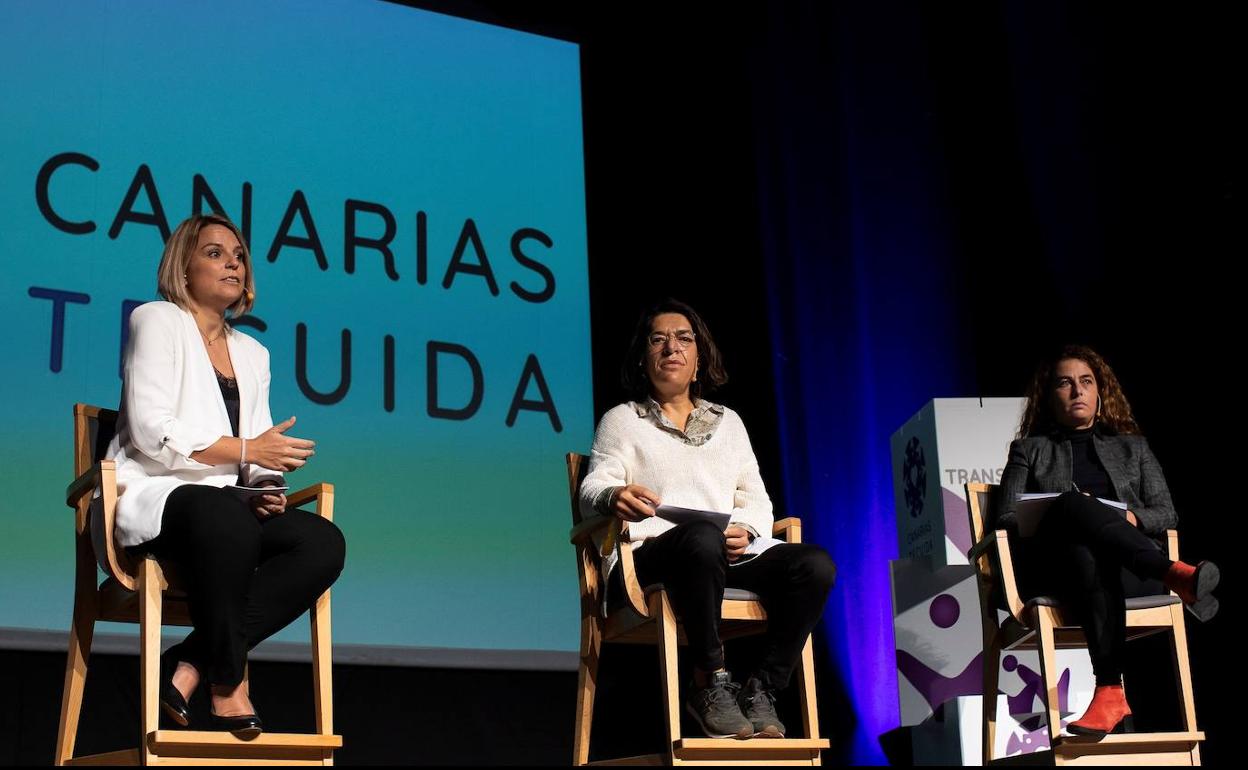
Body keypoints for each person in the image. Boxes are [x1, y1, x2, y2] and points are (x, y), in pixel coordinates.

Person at [107, 214, 346, 736]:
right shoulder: (157, 320)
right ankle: (230, 683)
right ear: (183, 268)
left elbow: (255, 451)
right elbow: (151, 432)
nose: (233, 262)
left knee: (321, 541)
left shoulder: (253, 353)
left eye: (237, 255)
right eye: (215, 253)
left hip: (225, 510)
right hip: (161, 495)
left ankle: (191, 662)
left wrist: (262, 484)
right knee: (223, 514)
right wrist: (245, 451)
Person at [578, 299, 835, 739]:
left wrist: (747, 529)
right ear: (643, 360)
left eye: (683, 338)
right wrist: (615, 495)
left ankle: (763, 688)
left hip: (721, 552)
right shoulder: (623, 420)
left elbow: (756, 498)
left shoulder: (728, 423)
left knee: (813, 565)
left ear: (699, 359)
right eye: (657, 340)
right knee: (699, 537)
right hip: (648, 556)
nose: (670, 347)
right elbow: (591, 489)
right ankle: (710, 681)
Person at [992, 345, 1219, 737]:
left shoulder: (1133, 448)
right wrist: (1065, 512)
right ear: (1050, 397)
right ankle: (1175, 575)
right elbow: (1006, 518)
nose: (1077, 390)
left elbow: (1166, 513)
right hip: (1059, 572)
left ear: (1100, 394)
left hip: (1126, 570)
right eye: (1065, 383)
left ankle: (1110, 692)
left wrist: (1129, 517)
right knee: (1072, 510)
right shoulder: (1029, 451)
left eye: (1086, 382)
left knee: (1092, 550)